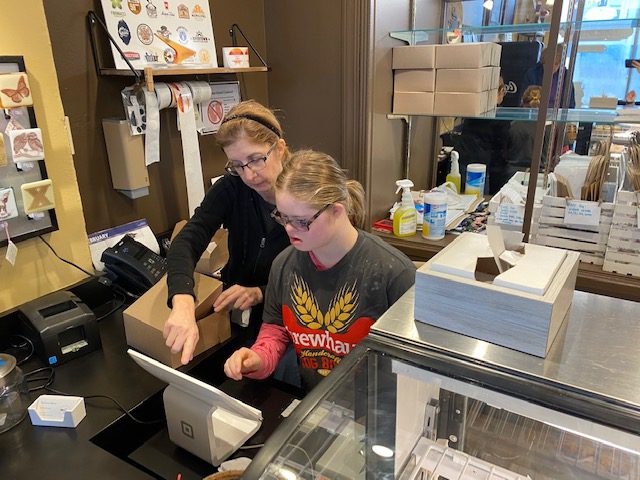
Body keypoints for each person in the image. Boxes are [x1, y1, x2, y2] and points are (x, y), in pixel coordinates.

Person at [223, 150, 416, 392]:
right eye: (283, 218)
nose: (290, 229)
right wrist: (258, 359)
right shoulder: (284, 265)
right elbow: (276, 330)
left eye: (302, 221)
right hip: (316, 400)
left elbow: (413, 365)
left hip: (378, 408)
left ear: (337, 211)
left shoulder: (393, 273)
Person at [164, 100, 292, 367]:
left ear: (279, 148)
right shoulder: (232, 188)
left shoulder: (305, 196)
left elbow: (319, 277)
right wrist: (183, 302)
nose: (249, 175)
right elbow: (187, 241)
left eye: (256, 159)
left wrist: (262, 292)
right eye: (237, 165)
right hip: (236, 316)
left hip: (290, 319)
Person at [521, 43, 576, 108]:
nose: (552, 67)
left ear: (561, 65)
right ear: (543, 62)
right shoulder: (532, 74)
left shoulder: (566, 77)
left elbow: (570, 104)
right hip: (535, 114)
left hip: (557, 116)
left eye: (556, 64)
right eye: (548, 63)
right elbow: (523, 101)